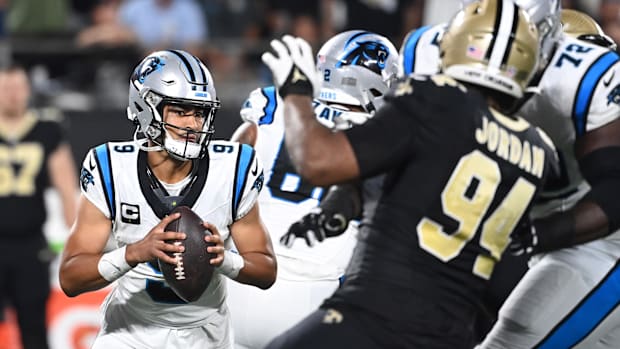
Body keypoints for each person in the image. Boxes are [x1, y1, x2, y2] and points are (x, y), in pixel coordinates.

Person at [262, 0, 559, 347]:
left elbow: (317, 162)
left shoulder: (434, 99)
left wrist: (296, 90)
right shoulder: (541, 151)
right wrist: (346, 204)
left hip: (375, 316)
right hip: (456, 334)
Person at [58, 49, 277, 349]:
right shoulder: (110, 166)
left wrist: (223, 258)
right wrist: (134, 253)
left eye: (199, 112)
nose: (192, 124)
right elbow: (70, 278)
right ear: (146, 107)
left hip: (205, 336)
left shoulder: (233, 169)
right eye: (180, 110)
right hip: (129, 334)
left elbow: (266, 271)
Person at [226, 30, 399, 349]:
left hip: (239, 281)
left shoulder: (271, 104)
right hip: (314, 297)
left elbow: (219, 180)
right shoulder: (384, 135)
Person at [0, 65, 78, 349]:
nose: (12, 95)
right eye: (6, 88)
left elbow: (66, 189)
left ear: (28, 91)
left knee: (34, 327)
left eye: (18, 88)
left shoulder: (46, 130)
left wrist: (77, 239)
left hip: (30, 243)